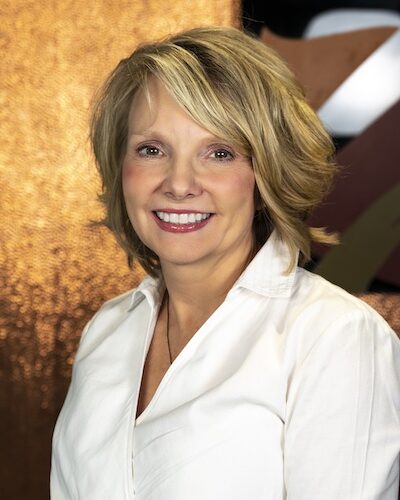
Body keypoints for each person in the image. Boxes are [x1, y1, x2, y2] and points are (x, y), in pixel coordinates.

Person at [50, 26, 400, 499]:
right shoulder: (107, 331)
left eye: (219, 153)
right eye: (152, 150)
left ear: (266, 174)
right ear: (122, 168)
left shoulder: (333, 336)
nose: (178, 183)